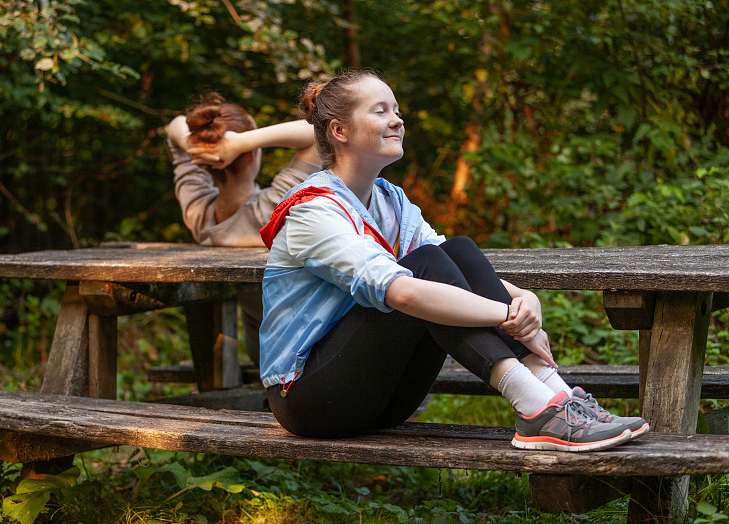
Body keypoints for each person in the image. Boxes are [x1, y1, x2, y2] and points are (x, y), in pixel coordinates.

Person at [257, 70, 648, 451]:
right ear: (339, 131)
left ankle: (560, 401)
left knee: (454, 249)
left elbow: (453, 266)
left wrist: (524, 298)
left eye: (396, 109)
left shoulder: (391, 200)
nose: (397, 119)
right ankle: (536, 409)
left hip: (386, 399)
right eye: (380, 111)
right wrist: (503, 314)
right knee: (426, 266)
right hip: (309, 400)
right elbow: (403, 292)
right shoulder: (311, 211)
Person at [166, 93, 321, 364]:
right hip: (308, 349)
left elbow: (175, 125)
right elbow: (318, 133)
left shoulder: (200, 215)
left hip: (264, 352)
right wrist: (241, 141)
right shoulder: (274, 212)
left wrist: (201, 147)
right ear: (250, 155)